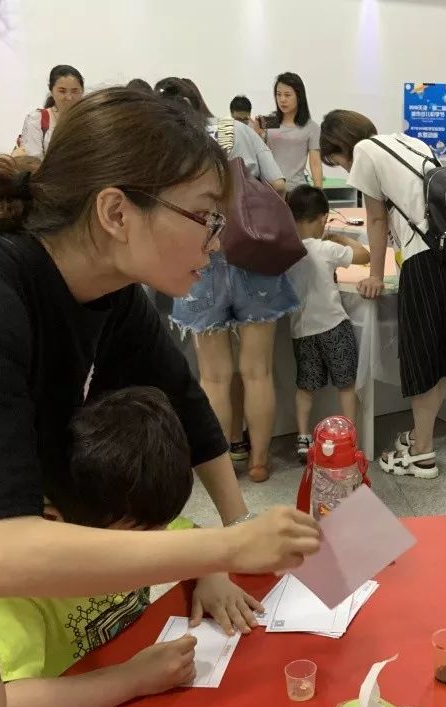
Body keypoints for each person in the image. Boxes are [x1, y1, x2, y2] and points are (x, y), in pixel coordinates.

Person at [0, 87, 321, 625]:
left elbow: (188, 407)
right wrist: (224, 549)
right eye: (206, 216)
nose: (218, 242)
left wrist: (238, 526)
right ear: (116, 211)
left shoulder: (113, 292)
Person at [0, 387, 209, 707]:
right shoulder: (15, 590)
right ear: (54, 521)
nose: (156, 543)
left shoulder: (120, 512)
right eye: (137, 536)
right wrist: (131, 679)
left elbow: (190, 538)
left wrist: (213, 573)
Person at [321, 109, 446, 479]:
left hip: (425, 260)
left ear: (339, 145)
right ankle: (418, 439)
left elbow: (377, 219)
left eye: (335, 160)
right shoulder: (409, 141)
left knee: (422, 354)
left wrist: (375, 275)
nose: (343, 169)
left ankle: (422, 453)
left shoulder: (364, 151)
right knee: (443, 354)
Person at [159, 76, 297, 484]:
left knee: (215, 378)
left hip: (197, 261)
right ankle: (259, 461)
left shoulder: (162, 143)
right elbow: (277, 183)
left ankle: (222, 467)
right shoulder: (235, 129)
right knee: (258, 372)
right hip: (252, 254)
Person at [285, 184, 369, 458]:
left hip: (301, 331)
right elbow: (364, 255)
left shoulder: (286, 250)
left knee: (305, 388)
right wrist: (341, 239)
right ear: (322, 219)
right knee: (346, 384)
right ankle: (349, 437)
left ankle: (303, 438)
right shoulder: (324, 248)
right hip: (334, 326)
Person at [260, 72, 322, 191]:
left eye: (287, 95)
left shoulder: (311, 127)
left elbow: (315, 163)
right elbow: (259, 153)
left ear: (299, 96)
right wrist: (258, 133)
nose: (282, 99)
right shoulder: (268, 121)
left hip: (297, 190)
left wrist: (319, 193)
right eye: (278, 95)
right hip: (270, 189)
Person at [18, 64, 83, 158]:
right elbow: (33, 162)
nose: (69, 97)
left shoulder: (89, 119)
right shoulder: (37, 120)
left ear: (82, 91)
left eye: (74, 91)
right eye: (62, 91)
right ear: (52, 91)